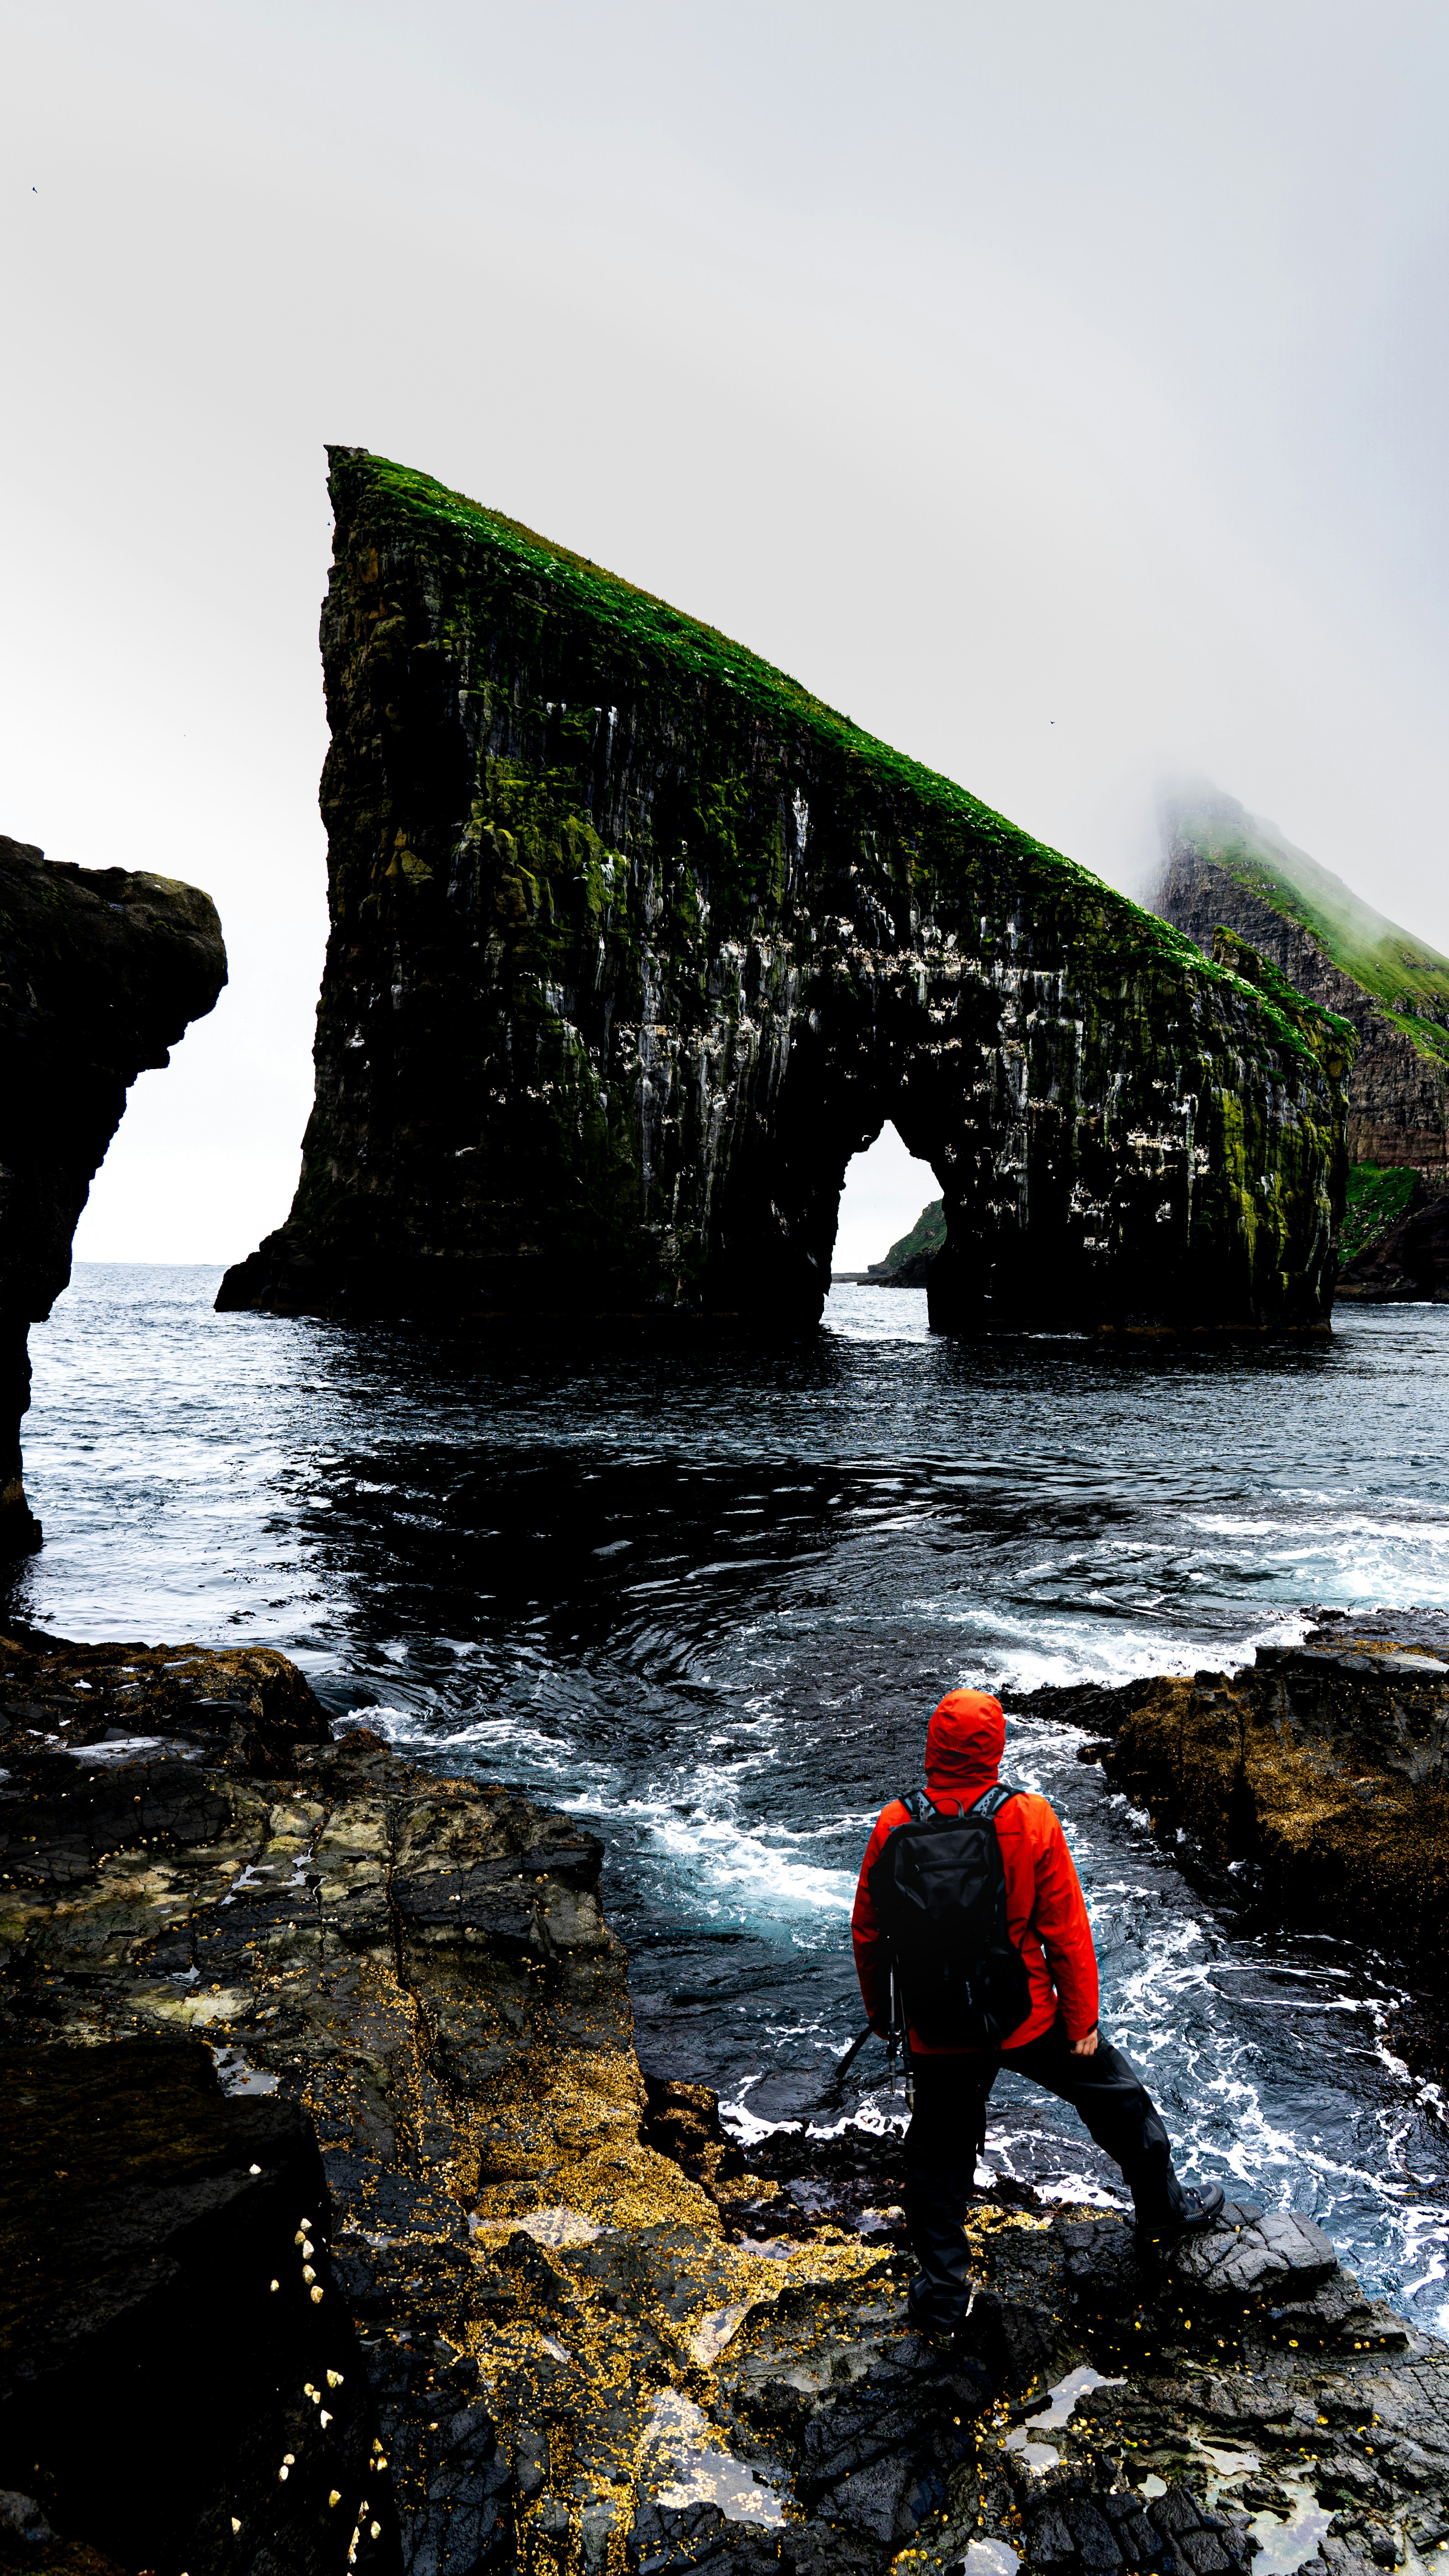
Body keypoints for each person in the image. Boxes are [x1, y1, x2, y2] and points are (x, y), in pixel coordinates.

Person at [852, 1686, 1224, 2336]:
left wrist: (888, 2019)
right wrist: (1080, 2020)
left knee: (938, 2158)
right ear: (995, 1746)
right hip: (1026, 2015)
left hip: (939, 2026)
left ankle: (943, 2294)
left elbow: (868, 1932)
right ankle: (1164, 2213)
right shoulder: (1028, 1817)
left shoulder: (894, 1822)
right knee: (1120, 2100)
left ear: (933, 1745)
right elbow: (1065, 1930)